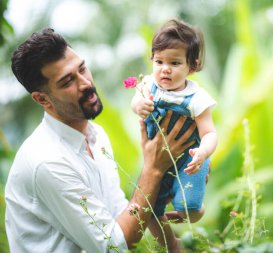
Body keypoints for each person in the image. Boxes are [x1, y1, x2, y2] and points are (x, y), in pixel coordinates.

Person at [5, 28, 196, 253]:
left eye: (82, 68)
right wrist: (153, 169)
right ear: (42, 99)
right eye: (67, 81)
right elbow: (113, 246)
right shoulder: (46, 161)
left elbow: (120, 214)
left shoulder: (96, 136)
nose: (85, 83)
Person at [130, 19, 217, 249]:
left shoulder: (197, 98)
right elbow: (135, 101)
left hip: (189, 159)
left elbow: (209, 133)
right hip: (158, 158)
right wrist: (139, 105)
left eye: (174, 62)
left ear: (192, 66)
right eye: (159, 61)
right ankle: (171, 245)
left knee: (188, 207)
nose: (164, 68)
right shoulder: (149, 85)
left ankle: (196, 210)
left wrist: (202, 153)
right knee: (146, 208)